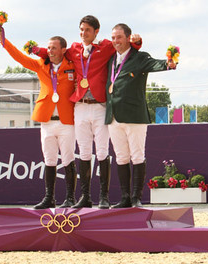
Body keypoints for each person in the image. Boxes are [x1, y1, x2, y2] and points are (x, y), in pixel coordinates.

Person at [36, 15, 142, 209]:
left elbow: (126, 47)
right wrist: (37, 50)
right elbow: (54, 53)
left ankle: (104, 197)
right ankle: (86, 196)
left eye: (87, 30)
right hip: (81, 107)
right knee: (84, 152)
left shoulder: (106, 47)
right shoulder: (74, 49)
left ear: (96, 32)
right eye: (81, 29)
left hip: (100, 106)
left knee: (102, 151)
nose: (83, 33)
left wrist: (137, 41)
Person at [0, 33, 77, 209]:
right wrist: (4, 42)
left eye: (54, 48)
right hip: (47, 120)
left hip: (66, 121)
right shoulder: (41, 65)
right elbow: (20, 57)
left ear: (63, 50)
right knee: (49, 160)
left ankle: (70, 198)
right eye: (48, 48)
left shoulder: (72, 65)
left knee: (68, 159)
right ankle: (49, 197)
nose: (50, 51)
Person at [105, 23, 177, 208]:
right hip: (113, 116)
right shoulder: (111, 59)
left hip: (134, 116)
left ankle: (136, 197)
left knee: (137, 156)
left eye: (119, 37)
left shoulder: (140, 57)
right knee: (121, 157)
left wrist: (169, 63)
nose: (115, 41)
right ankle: (125, 198)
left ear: (128, 38)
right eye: (113, 37)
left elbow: (157, 64)